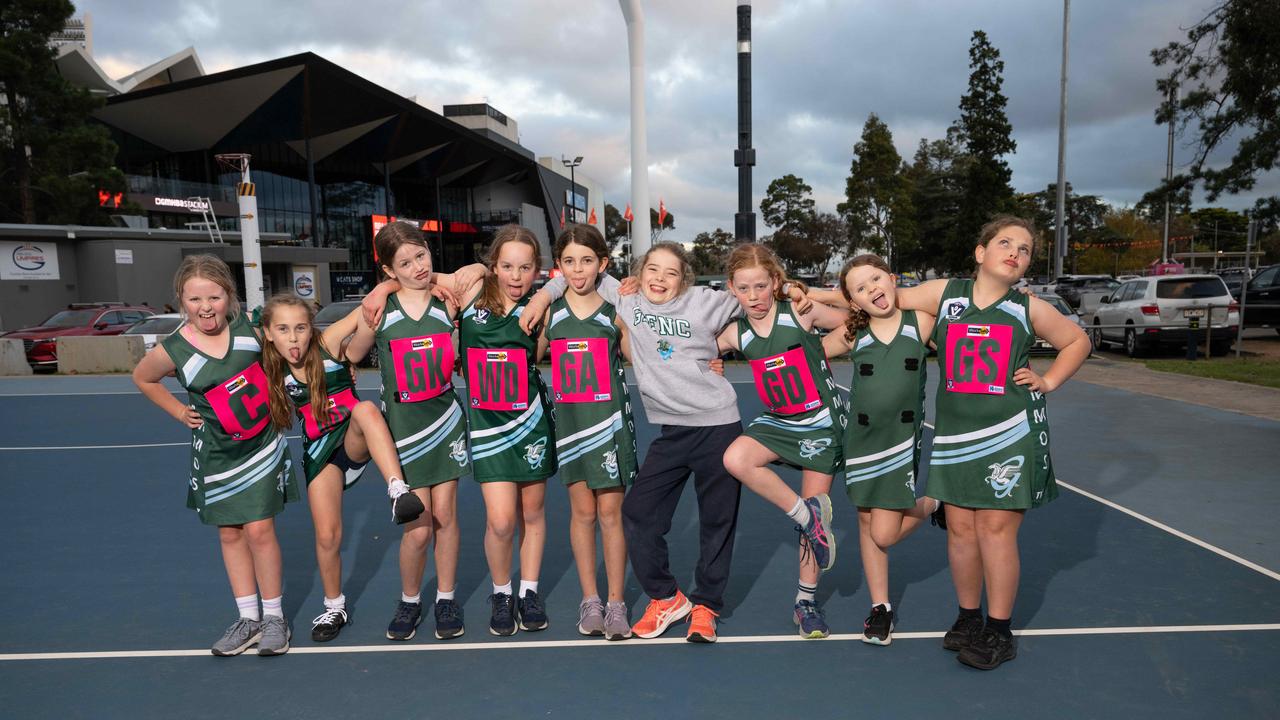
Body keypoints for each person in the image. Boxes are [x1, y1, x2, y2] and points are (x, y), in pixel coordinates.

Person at [523, 240, 813, 643]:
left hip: (717, 425)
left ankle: (707, 606)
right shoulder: (628, 300)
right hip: (672, 433)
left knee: (717, 522)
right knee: (639, 513)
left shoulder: (706, 302)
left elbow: (760, 293)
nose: (660, 279)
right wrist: (541, 296)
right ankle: (666, 597)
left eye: (671, 273)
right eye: (653, 270)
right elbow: (577, 274)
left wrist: (793, 291)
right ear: (639, 274)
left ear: (684, 280)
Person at [896, 215, 1089, 670]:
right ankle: (968, 618)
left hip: (1010, 434)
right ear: (980, 252)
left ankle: (999, 631)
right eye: (1006, 243)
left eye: (1024, 250)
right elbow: (884, 298)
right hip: (956, 436)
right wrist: (817, 296)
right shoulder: (945, 295)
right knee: (961, 531)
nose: (1015, 253)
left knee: (995, 531)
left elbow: (1076, 341)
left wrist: (1049, 380)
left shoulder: (1029, 308)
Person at [132, 254, 298, 657]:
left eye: (214, 297)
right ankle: (248, 619)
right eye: (194, 299)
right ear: (180, 300)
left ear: (230, 296)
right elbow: (143, 376)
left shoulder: (251, 331)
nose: (206, 307)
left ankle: (275, 617)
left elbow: (293, 345)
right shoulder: (174, 348)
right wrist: (177, 411)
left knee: (260, 530)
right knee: (229, 532)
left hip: (260, 445)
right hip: (216, 455)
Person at [258, 292, 426, 643]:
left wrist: (385, 287)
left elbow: (364, 315)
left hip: (354, 437)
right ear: (269, 333)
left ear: (311, 328)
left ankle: (397, 488)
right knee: (327, 535)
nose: (294, 337)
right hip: (321, 452)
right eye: (284, 329)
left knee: (364, 409)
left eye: (301, 327)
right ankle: (335, 606)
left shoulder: (328, 342)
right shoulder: (267, 364)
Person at [354, 223, 481, 642]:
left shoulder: (449, 302)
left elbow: (483, 273)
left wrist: (423, 279)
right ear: (388, 268)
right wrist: (380, 296)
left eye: (421, 256)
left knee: (446, 517)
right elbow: (352, 354)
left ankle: (446, 597)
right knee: (419, 527)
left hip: (444, 422)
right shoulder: (380, 311)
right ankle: (410, 599)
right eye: (404, 264)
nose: (417, 267)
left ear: (430, 251)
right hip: (404, 431)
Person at [716, 243, 847, 639]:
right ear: (731, 289)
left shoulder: (799, 312)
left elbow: (851, 320)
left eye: (760, 285)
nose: (753, 296)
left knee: (817, 506)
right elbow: (691, 346)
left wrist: (825, 346)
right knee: (737, 458)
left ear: (775, 282)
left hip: (820, 422)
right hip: (779, 421)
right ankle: (807, 518)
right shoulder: (736, 332)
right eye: (744, 288)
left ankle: (805, 603)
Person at [815, 254, 939, 646]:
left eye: (876, 279)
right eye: (861, 289)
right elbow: (807, 357)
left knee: (883, 534)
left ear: (891, 277)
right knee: (867, 522)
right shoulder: (855, 333)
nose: (873, 291)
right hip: (861, 441)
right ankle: (880, 608)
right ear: (854, 302)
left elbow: (968, 331)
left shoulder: (920, 321)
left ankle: (935, 503)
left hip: (901, 442)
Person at [535, 225, 638, 641]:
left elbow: (646, 359)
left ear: (603, 265)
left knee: (611, 515)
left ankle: (616, 603)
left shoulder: (616, 312)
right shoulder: (549, 314)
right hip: (573, 429)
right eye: (570, 261)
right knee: (582, 514)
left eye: (588, 261)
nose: (579, 270)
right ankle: (589, 599)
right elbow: (524, 354)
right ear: (558, 266)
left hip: (610, 425)